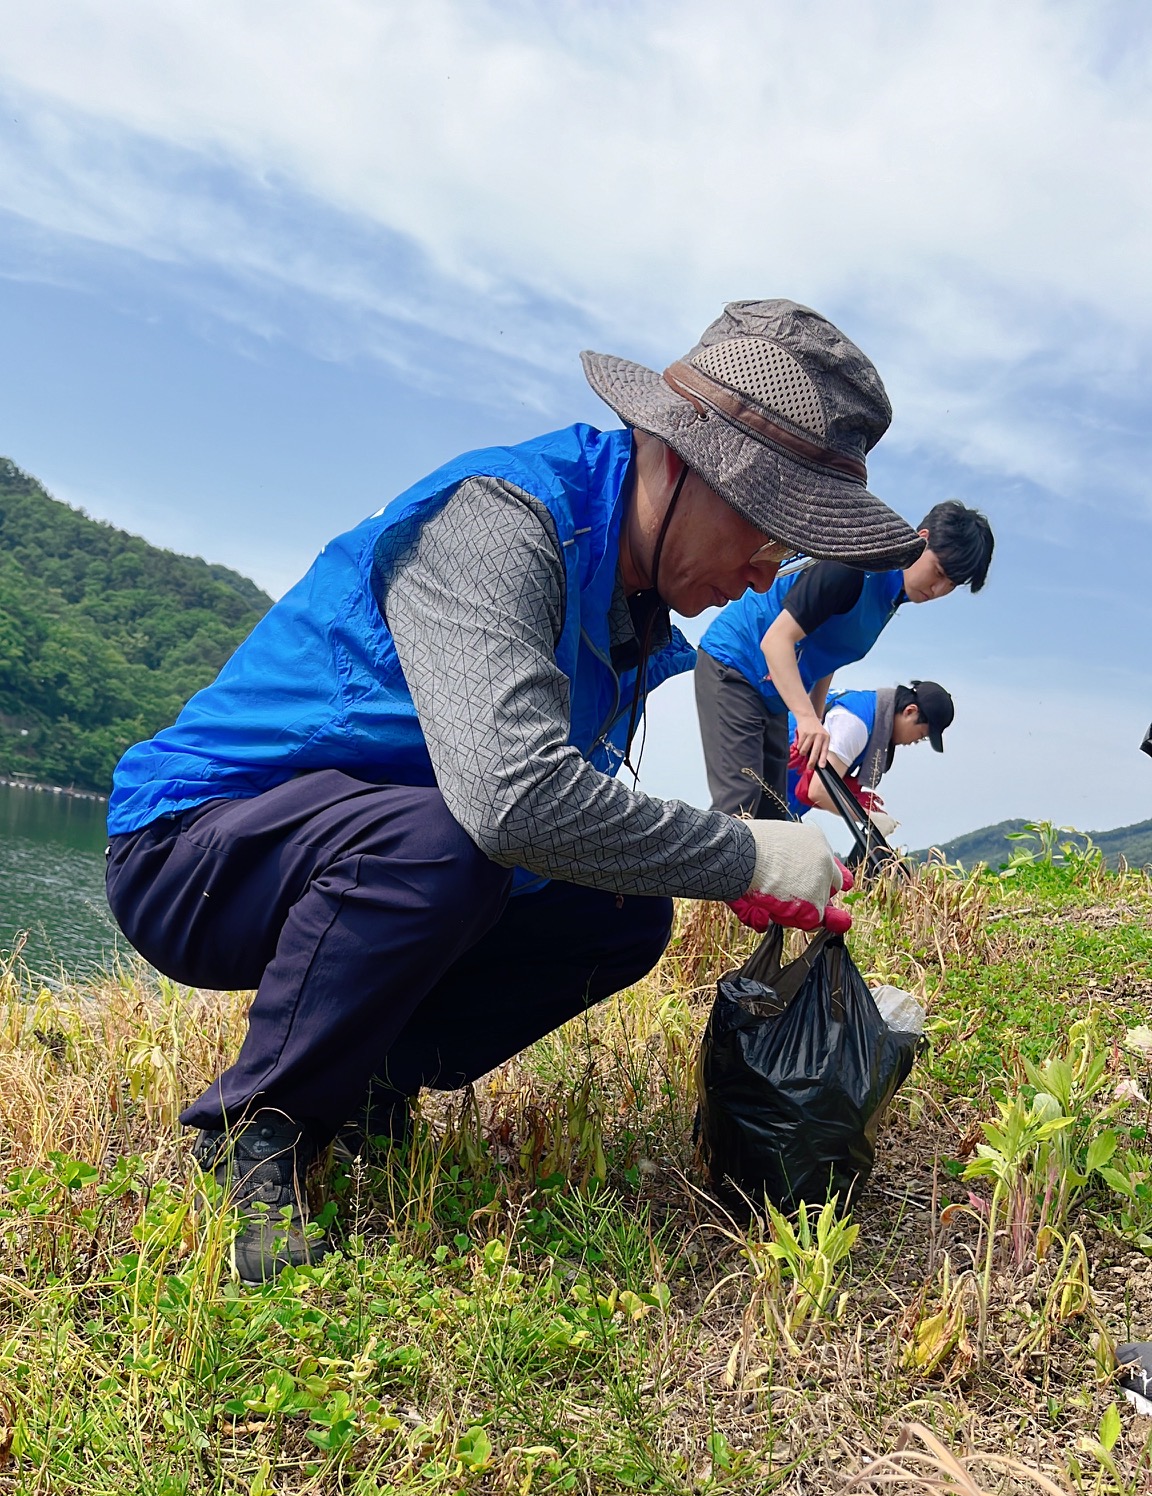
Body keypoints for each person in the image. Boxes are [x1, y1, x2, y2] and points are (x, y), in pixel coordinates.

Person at [104, 298, 924, 1282]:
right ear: (669, 457)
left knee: (621, 915)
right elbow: (508, 799)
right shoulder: (504, 521)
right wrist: (747, 847)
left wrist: (712, 867)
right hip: (194, 846)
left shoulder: (629, 613)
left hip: (370, 848)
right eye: (762, 523)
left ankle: (366, 1080)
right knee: (451, 840)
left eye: (789, 549)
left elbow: (554, 825)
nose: (763, 573)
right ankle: (260, 1128)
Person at [694, 500, 992, 817]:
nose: (939, 588)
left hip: (773, 692)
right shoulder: (855, 566)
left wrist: (816, 715)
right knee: (741, 803)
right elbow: (776, 641)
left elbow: (828, 651)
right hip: (737, 664)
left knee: (774, 815)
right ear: (921, 539)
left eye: (952, 584)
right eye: (939, 572)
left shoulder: (891, 597)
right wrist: (806, 719)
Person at [785, 680, 955, 828]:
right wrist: (867, 818)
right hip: (767, 787)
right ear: (910, 711)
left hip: (782, 799)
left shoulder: (871, 709)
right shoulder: (855, 724)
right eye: (921, 735)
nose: (915, 742)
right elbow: (818, 791)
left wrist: (851, 795)